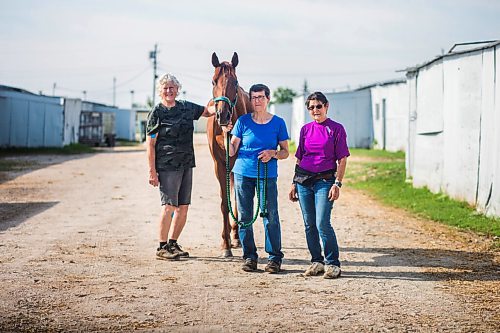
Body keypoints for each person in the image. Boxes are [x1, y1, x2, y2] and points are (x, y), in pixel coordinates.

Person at [147, 73, 215, 260]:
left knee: (183, 207)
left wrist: (222, 98)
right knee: (169, 206)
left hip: (187, 164)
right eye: (165, 88)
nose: (169, 91)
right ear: (160, 91)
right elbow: (151, 145)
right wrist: (152, 171)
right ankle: (161, 247)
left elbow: (208, 111)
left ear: (178, 89)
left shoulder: (186, 107)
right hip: (167, 165)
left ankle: (173, 243)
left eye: (172, 87)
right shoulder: (157, 112)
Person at [223, 84, 289, 273]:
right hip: (243, 174)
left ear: (268, 99)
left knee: (270, 216)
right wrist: (227, 135)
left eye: (261, 97)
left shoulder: (278, 123)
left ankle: (274, 258)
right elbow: (232, 150)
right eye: (253, 97)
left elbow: (285, 152)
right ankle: (249, 256)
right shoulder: (243, 122)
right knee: (244, 217)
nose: (257, 101)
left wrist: (272, 153)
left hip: (267, 175)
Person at [288, 92, 349, 279]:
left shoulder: (336, 129)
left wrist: (337, 183)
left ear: (326, 106)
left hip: (325, 181)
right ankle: (317, 261)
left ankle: (333, 264)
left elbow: (342, 159)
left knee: (322, 222)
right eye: (311, 107)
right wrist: (293, 182)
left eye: (319, 106)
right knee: (309, 224)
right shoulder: (305, 129)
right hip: (303, 181)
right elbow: (299, 157)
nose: (315, 110)